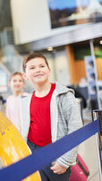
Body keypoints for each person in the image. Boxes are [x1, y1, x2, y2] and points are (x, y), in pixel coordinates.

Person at [20, 52, 83, 181]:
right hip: (34, 154)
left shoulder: (64, 96)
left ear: (49, 71)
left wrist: (65, 161)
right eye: (32, 68)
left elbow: (76, 128)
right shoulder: (25, 101)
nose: (37, 70)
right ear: (25, 75)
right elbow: (27, 130)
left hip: (57, 155)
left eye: (41, 66)